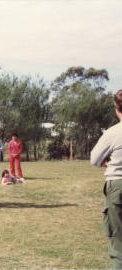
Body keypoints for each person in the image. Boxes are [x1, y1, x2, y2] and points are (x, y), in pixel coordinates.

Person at [91, 89, 122, 269]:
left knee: (118, 243)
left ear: (116, 108)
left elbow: (95, 159)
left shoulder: (113, 132)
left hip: (117, 185)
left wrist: (108, 162)